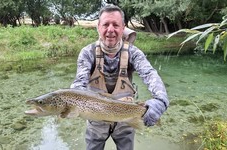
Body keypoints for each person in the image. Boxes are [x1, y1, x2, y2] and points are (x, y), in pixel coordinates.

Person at [70, 4, 169, 150]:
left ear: (123, 28)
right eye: (106, 24)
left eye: (115, 25)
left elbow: (149, 73)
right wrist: (71, 99)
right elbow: (80, 83)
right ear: (98, 27)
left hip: (127, 118)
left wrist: (160, 100)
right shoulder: (87, 53)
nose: (110, 29)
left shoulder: (134, 53)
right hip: (96, 119)